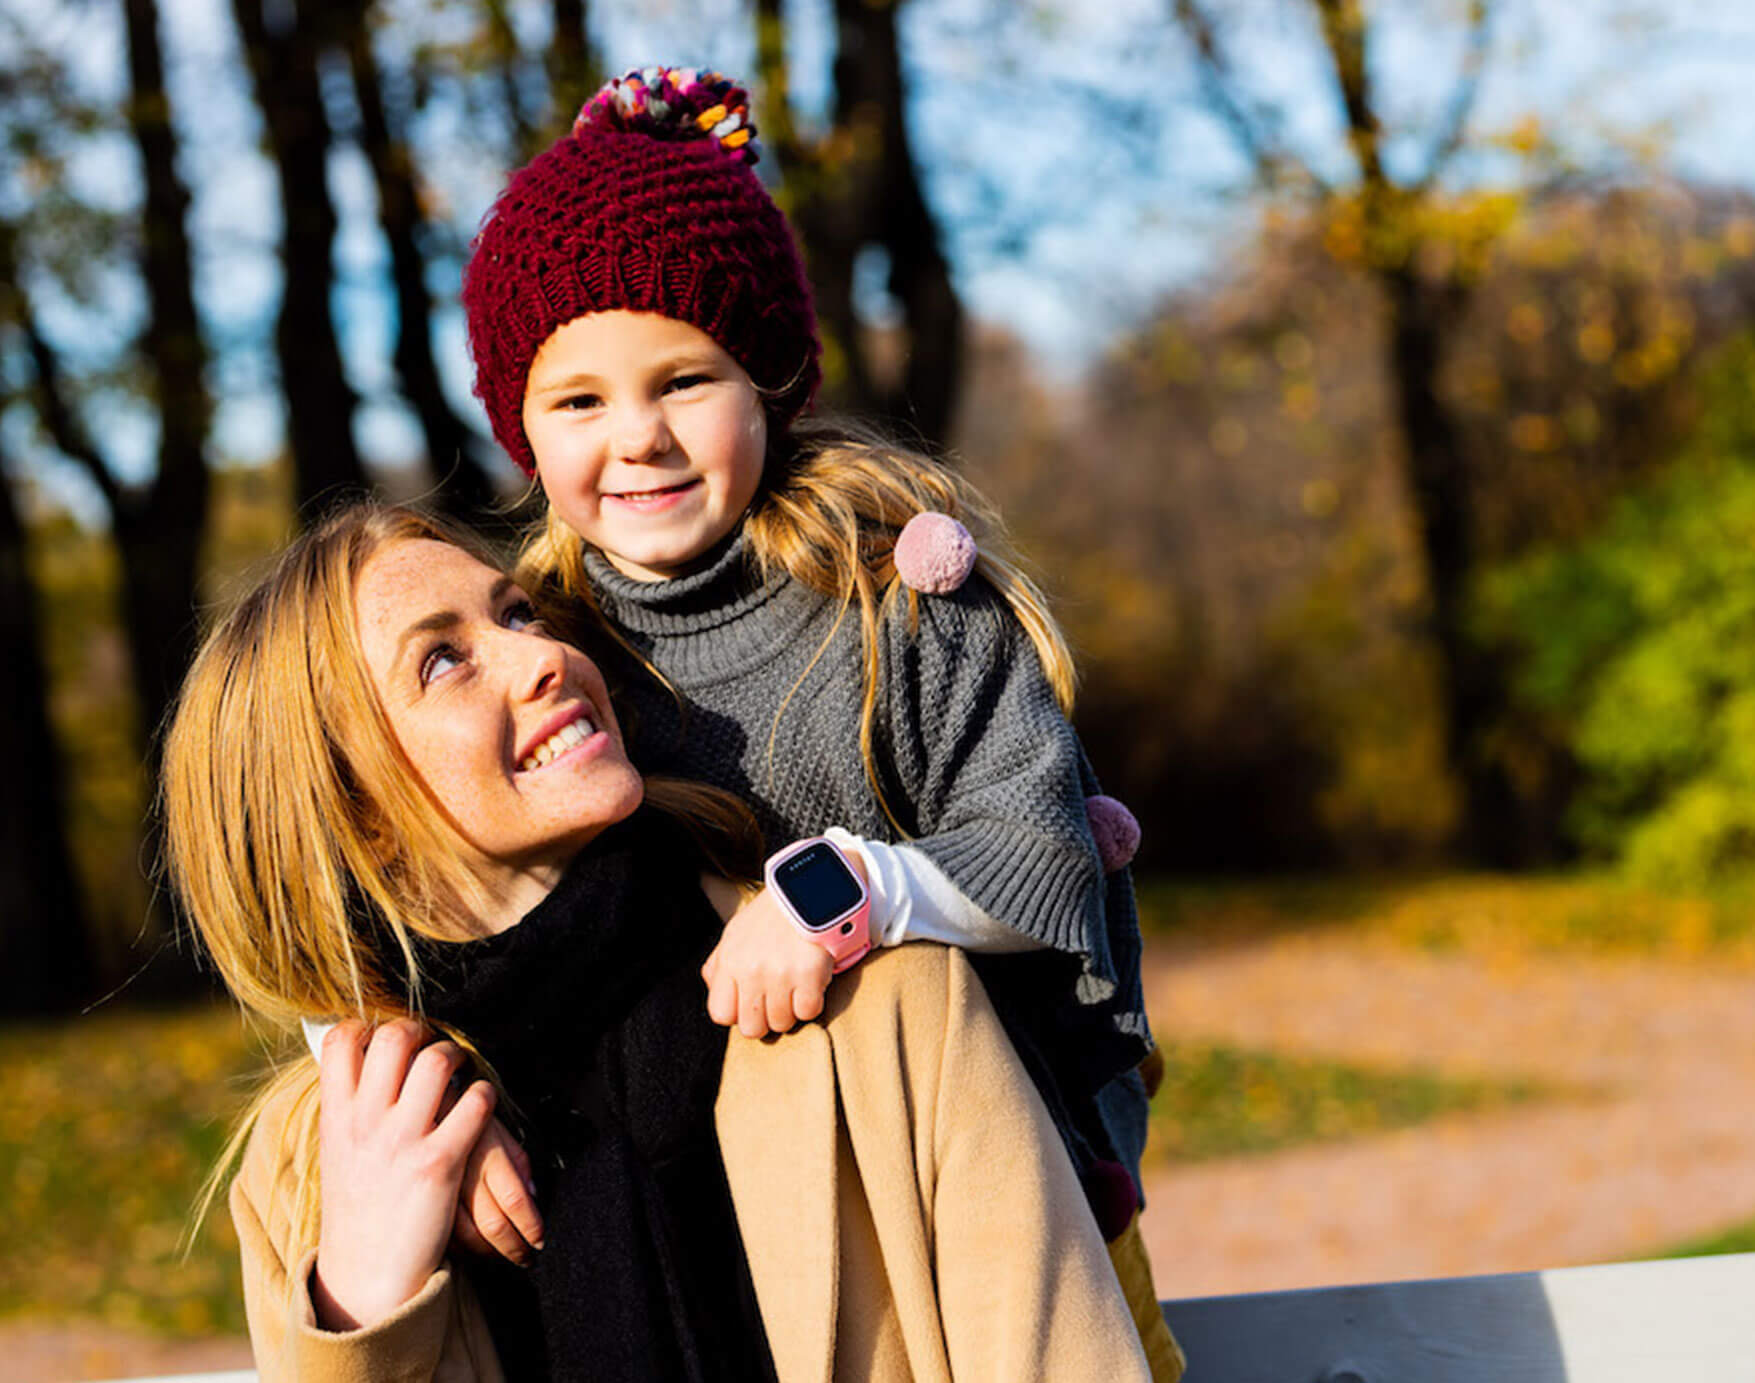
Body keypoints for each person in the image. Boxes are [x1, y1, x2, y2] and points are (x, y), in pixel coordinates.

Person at [458, 67, 1179, 1378]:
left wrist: (857, 891)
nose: (639, 439)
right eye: (578, 399)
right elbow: (431, 874)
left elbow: (1036, 854)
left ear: (773, 374)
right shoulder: (547, 650)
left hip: (984, 1186)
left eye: (684, 378)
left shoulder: (896, 597)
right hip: (734, 1215)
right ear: (519, 422)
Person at [162, 503, 1152, 1382]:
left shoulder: (886, 1003)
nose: (541, 654)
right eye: (442, 659)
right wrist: (365, 1299)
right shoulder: (322, 1163)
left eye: (515, 613)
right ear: (355, 813)